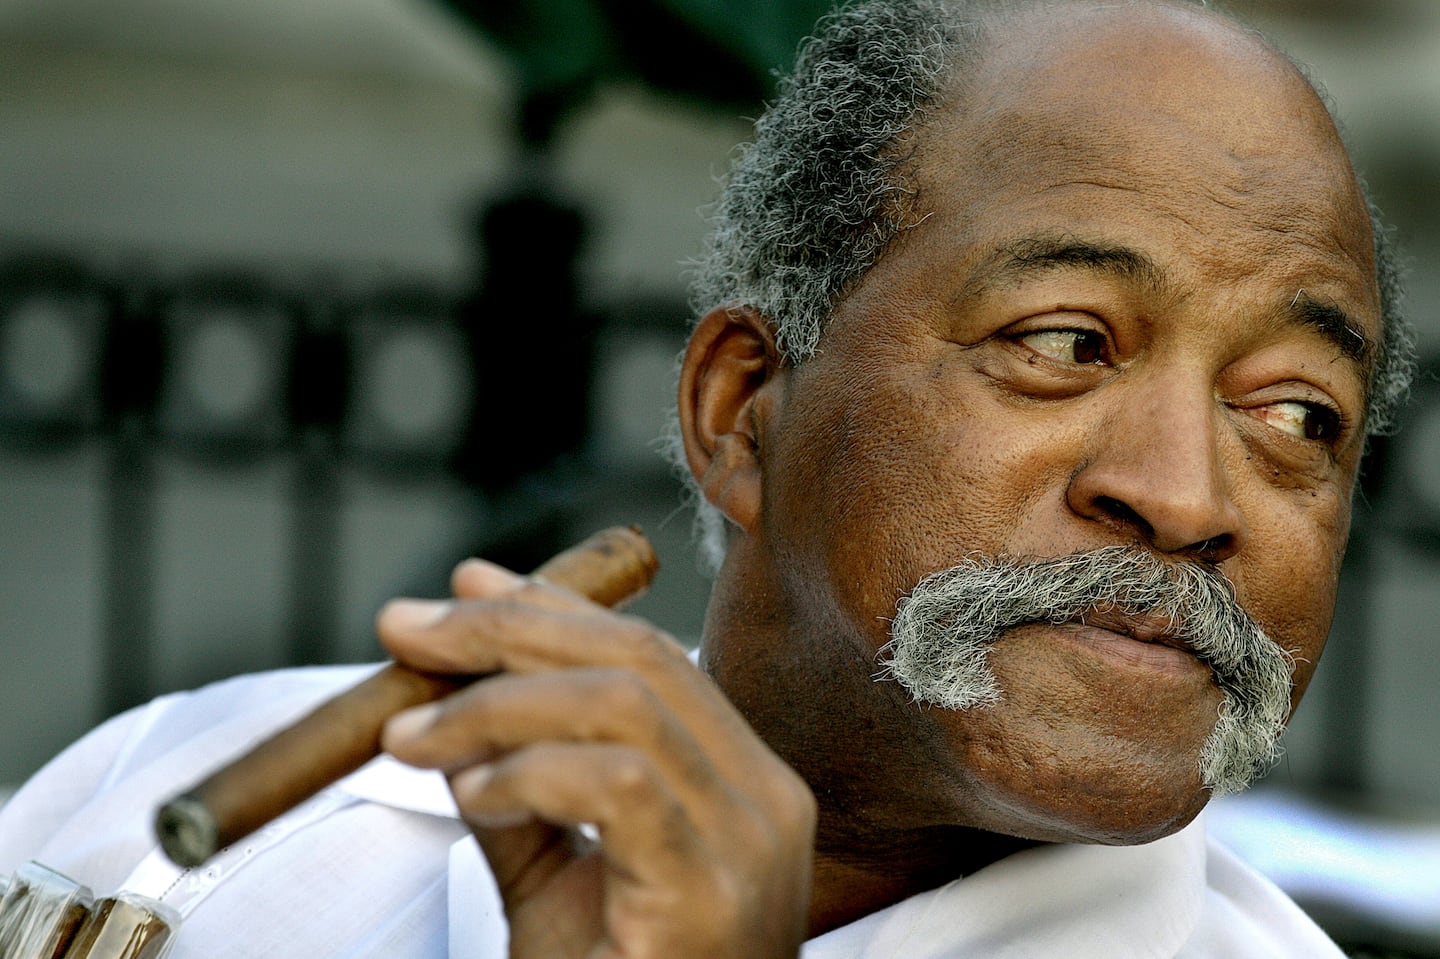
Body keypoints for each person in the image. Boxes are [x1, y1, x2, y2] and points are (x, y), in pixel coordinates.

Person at [0, 0, 1418, 956]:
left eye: (1298, 416)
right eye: (1064, 342)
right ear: (743, 409)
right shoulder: (189, 796)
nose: (1187, 496)